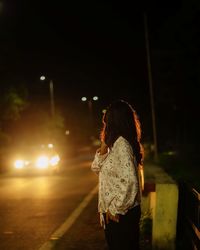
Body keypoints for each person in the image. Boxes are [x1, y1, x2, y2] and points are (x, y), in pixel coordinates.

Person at [91, 99, 144, 250]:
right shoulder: (113, 146)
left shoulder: (122, 145)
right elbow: (95, 167)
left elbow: (130, 182)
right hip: (117, 214)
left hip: (121, 215)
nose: (105, 126)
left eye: (107, 123)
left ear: (115, 122)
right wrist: (103, 146)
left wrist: (116, 209)